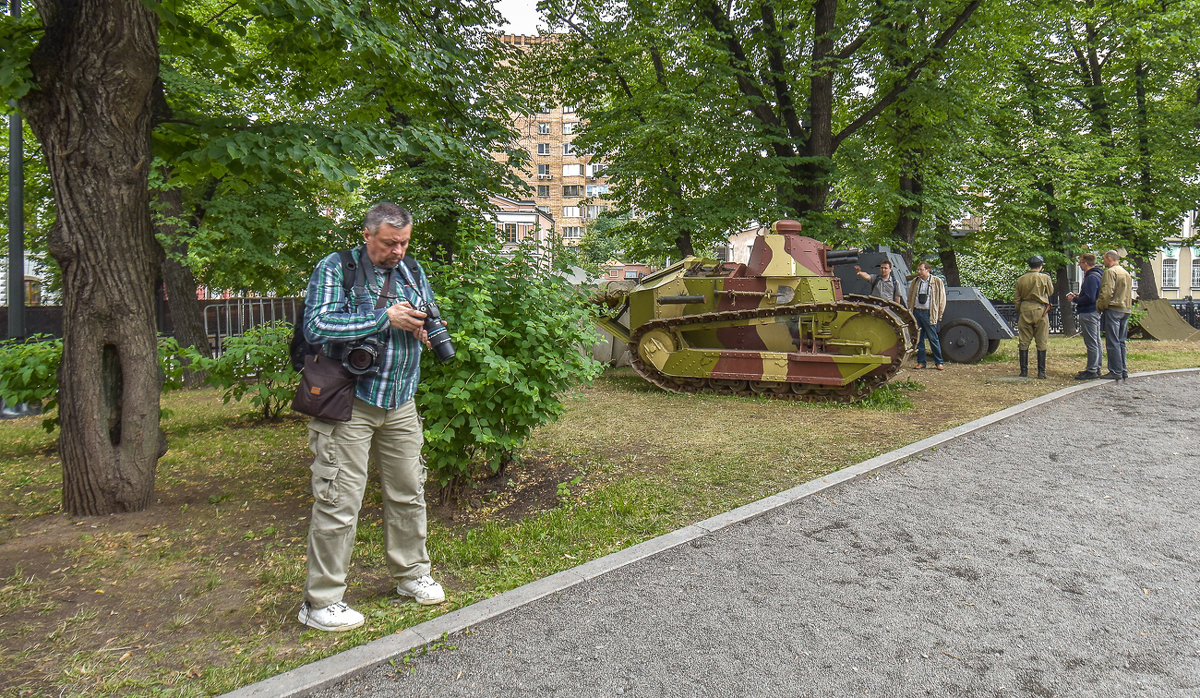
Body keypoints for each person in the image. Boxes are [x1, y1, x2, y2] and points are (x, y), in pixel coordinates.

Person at [297, 202, 446, 633]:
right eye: (388, 243)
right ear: (367, 235)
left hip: (400, 402)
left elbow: (426, 313)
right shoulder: (337, 267)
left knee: (408, 491)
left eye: (403, 242)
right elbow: (317, 326)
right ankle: (321, 601)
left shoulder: (413, 271)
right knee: (339, 501)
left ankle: (411, 576)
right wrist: (384, 317)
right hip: (351, 403)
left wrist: (425, 331)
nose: (397, 250)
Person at [1014, 255, 1054, 379]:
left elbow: (1016, 298)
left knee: (1024, 341)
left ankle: (1024, 371)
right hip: (1040, 309)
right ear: (1040, 266)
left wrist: (1020, 310)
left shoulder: (1021, 279)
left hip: (1025, 308)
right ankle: (1041, 372)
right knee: (1041, 341)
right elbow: (1051, 291)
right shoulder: (1045, 277)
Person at [1096, 249, 1133, 381]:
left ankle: (1115, 370)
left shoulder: (1110, 272)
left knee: (1112, 341)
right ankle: (1123, 369)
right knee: (1121, 341)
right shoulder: (1126, 273)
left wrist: (1100, 306)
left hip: (1113, 309)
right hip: (1125, 309)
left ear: (1110, 259)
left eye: (1104, 259)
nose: (1103, 261)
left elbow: (1107, 292)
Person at [1066, 253, 1104, 379]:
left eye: (1081, 263)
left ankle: (1092, 370)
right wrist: (1079, 295)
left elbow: (1090, 297)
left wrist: (1075, 300)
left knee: (1092, 342)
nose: (1080, 265)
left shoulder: (1091, 277)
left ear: (1086, 263)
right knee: (1096, 341)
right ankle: (1096, 367)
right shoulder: (1098, 275)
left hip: (1088, 312)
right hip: (1094, 311)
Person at [906, 261, 946, 370]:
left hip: (929, 313)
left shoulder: (936, 281)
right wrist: (910, 311)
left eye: (921, 270)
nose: (919, 272)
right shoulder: (915, 282)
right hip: (917, 312)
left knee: (933, 338)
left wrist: (939, 314)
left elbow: (942, 299)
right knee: (919, 338)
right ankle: (921, 362)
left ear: (927, 270)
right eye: (918, 270)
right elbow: (910, 297)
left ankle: (939, 362)